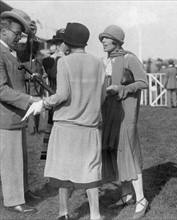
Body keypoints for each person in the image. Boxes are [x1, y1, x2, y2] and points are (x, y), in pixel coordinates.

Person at [22, 22, 106, 220]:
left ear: (67, 43)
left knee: (63, 169)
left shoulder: (64, 62)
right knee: (90, 171)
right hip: (90, 126)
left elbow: (62, 95)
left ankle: (63, 212)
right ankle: (95, 214)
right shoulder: (98, 63)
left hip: (66, 125)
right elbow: (102, 97)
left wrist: (43, 103)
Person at [99, 25, 149, 219]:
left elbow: (143, 82)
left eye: (107, 38)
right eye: (102, 38)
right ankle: (126, 195)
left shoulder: (129, 58)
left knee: (128, 150)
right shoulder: (105, 60)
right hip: (110, 111)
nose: (103, 41)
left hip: (126, 111)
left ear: (117, 41)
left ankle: (142, 199)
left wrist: (122, 88)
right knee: (117, 150)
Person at [0, 8, 41, 213]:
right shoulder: (0, 52)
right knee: (11, 160)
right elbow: (1, 89)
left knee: (20, 157)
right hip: (6, 117)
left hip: (17, 115)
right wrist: (29, 99)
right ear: (4, 30)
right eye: (17, 34)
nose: (19, 38)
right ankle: (14, 200)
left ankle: (23, 191)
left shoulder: (9, 52)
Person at [40, 28, 65, 160]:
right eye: (59, 43)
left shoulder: (72, 59)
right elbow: (54, 74)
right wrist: (60, 56)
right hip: (56, 104)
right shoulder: (48, 61)